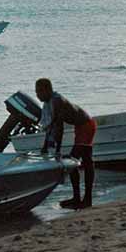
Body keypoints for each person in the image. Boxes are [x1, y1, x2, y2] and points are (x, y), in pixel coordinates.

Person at [35, 78, 96, 210]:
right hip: (80, 127)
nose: (37, 95)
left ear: (47, 90)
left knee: (74, 162)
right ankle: (78, 198)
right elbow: (51, 127)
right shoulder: (49, 103)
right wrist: (45, 147)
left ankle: (86, 199)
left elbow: (59, 127)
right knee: (80, 162)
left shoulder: (57, 101)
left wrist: (57, 151)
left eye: (39, 92)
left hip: (86, 125)